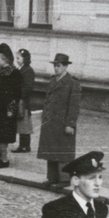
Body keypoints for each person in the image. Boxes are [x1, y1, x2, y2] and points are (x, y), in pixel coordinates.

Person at [37, 53, 81, 189]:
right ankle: (52, 177)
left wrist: (70, 124)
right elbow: (47, 102)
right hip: (50, 123)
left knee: (62, 152)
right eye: (55, 66)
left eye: (59, 66)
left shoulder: (73, 83)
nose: (56, 69)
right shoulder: (52, 81)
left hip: (63, 124)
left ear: (66, 66)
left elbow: (74, 106)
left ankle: (64, 179)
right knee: (50, 151)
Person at [12, 48, 36, 154]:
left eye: (19, 58)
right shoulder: (21, 69)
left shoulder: (28, 70)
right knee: (22, 123)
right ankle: (23, 145)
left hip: (23, 101)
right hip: (20, 99)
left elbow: (28, 87)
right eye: (16, 58)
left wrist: (18, 94)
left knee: (24, 122)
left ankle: (25, 146)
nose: (17, 60)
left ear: (25, 59)